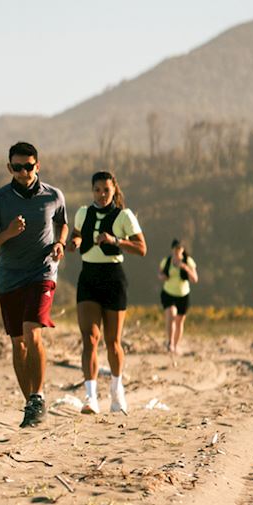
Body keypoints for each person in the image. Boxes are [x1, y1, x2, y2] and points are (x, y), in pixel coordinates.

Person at [0, 142, 68, 428]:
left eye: (28, 166)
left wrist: (60, 243)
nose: (23, 172)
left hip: (42, 273)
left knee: (32, 331)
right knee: (18, 342)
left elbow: (62, 222)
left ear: (37, 166)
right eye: (17, 167)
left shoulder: (53, 195)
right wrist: (7, 233)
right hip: (10, 277)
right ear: (9, 168)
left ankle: (39, 396)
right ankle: (30, 401)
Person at [67, 171, 146, 414]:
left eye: (106, 190)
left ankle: (116, 389)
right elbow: (77, 235)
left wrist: (116, 241)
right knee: (89, 339)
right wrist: (73, 243)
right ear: (92, 191)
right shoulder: (82, 213)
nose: (102, 195)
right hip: (88, 277)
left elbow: (142, 248)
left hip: (113, 278)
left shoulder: (124, 216)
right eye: (97, 190)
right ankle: (90, 397)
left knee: (113, 342)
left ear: (114, 191)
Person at [158, 240, 198, 355]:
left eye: (179, 249)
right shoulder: (167, 261)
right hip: (168, 293)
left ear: (182, 250)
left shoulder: (188, 261)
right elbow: (160, 274)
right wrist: (163, 277)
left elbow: (195, 279)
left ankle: (175, 345)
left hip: (183, 295)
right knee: (171, 314)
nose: (177, 252)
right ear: (172, 249)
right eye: (175, 249)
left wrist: (186, 268)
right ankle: (170, 343)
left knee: (179, 322)